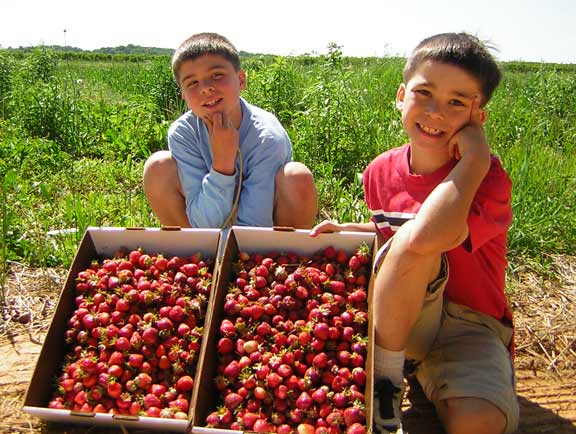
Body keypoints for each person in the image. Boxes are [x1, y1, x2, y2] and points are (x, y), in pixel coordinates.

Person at [311, 33, 519, 434]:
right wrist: (351, 229)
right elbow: (393, 233)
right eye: (424, 93)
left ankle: (422, 371)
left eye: (458, 102)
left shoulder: (488, 178)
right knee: (408, 243)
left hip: (468, 325)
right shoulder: (379, 171)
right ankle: (387, 380)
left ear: (478, 117)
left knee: (477, 423)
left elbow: (426, 237)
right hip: (404, 318)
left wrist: (475, 158)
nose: (437, 112)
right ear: (401, 95)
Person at [143, 33, 317, 229]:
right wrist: (222, 166)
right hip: (207, 226)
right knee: (157, 167)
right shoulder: (183, 133)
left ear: (241, 79)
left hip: (265, 229)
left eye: (217, 75)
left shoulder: (267, 137)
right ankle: (193, 253)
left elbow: (255, 226)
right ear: (183, 95)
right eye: (192, 83)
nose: (206, 88)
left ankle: (284, 256)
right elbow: (202, 224)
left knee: (296, 177)